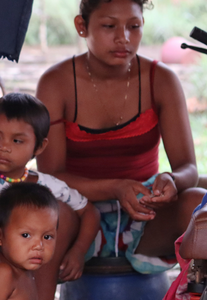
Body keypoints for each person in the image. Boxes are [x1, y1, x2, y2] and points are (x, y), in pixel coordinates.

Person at [36, 0, 205, 283]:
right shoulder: (56, 83)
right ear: (82, 27)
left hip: (146, 215)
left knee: (199, 202)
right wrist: (115, 187)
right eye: (109, 26)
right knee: (48, 213)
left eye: (134, 26)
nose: (123, 38)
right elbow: (51, 176)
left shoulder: (161, 80)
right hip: (78, 214)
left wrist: (171, 180)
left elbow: (188, 167)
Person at [0, 93, 100, 299]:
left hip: (19, 270)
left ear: (39, 146)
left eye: (17, 140)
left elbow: (89, 211)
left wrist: (78, 252)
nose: (4, 146)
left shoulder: (46, 185)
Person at [0, 182, 59, 300]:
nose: (39, 246)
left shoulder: (26, 271)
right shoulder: (2, 273)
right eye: (26, 235)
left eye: (47, 237)